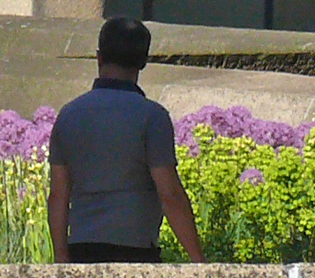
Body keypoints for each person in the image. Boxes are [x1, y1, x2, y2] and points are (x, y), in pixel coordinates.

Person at [48, 17, 203, 264]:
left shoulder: (68, 115)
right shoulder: (152, 117)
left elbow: (58, 195)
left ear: (99, 58)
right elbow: (170, 195)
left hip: (81, 249)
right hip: (135, 249)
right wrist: (198, 260)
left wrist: (61, 257)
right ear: (143, 62)